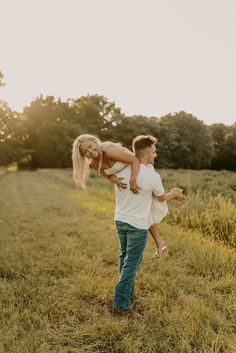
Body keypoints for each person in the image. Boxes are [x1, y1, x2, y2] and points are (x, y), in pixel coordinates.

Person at [72, 134, 186, 258]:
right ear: (83, 155)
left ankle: (173, 194)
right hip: (125, 181)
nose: (90, 151)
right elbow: (105, 173)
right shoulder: (93, 163)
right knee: (143, 210)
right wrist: (114, 180)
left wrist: (133, 181)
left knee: (152, 204)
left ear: (94, 141)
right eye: (85, 151)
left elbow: (135, 160)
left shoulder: (109, 151)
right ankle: (159, 242)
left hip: (138, 171)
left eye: (89, 146)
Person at [112, 135, 183, 317]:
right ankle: (121, 305)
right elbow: (161, 198)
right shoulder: (152, 176)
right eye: (154, 151)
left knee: (125, 258)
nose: (156, 154)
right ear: (145, 155)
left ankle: (126, 296)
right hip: (137, 225)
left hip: (120, 219)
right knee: (131, 265)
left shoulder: (123, 167)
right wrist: (174, 193)